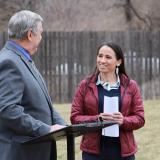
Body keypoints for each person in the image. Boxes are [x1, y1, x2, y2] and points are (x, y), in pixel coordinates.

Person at [0, 10, 67, 160]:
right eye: (40, 33)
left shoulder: (23, 58)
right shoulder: (9, 62)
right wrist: (46, 129)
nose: (41, 37)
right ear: (30, 35)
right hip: (22, 153)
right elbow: (8, 110)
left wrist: (63, 126)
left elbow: (42, 103)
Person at [70, 42, 145, 160]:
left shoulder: (131, 86)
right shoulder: (85, 85)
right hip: (93, 153)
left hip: (123, 154)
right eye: (100, 56)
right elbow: (75, 118)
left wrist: (123, 120)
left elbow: (140, 118)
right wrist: (97, 118)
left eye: (108, 57)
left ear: (119, 62)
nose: (102, 60)